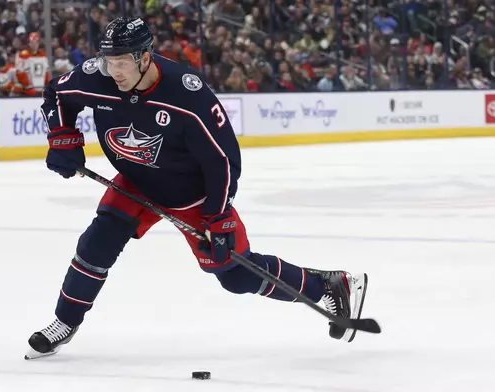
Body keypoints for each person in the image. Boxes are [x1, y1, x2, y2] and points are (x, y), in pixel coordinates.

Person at [25, 17, 369, 360]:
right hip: (137, 180)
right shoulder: (98, 76)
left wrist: (218, 218)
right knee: (96, 244)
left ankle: (327, 285)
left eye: (122, 62)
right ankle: (64, 322)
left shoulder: (186, 94)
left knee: (234, 275)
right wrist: (62, 139)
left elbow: (222, 161)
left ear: (145, 57)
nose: (113, 71)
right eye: (108, 61)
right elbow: (57, 93)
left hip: (193, 194)